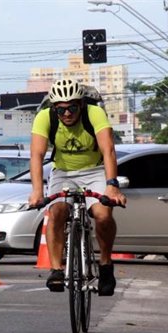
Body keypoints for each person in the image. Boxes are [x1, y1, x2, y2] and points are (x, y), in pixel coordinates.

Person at [28, 79, 126, 296]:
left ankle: (106, 265)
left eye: (72, 108)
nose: (67, 114)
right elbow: (36, 156)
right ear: (54, 108)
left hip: (95, 170)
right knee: (56, 211)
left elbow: (108, 150)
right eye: (61, 110)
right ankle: (56, 269)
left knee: (103, 215)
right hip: (62, 172)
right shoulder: (45, 117)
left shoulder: (94, 114)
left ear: (81, 105)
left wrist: (111, 186)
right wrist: (37, 191)